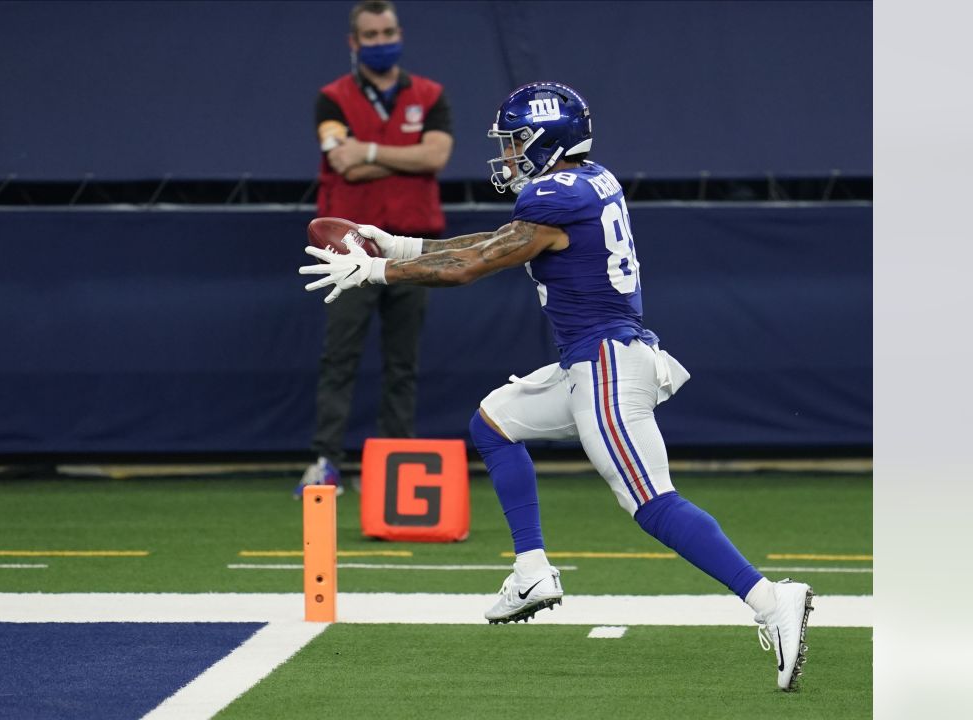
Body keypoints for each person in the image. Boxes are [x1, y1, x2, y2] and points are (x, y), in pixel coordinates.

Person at [299, 81, 814, 692]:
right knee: (493, 422)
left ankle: (768, 598)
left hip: (606, 369)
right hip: (590, 361)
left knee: (651, 503)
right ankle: (532, 569)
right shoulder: (588, 179)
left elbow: (474, 266)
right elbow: (495, 245)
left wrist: (379, 269)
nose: (510, 154)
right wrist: (399, 244)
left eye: (517, 140)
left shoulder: (553, 195)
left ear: (547, 139)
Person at [296, 0, 454, 497]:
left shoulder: (430, 95)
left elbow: (438, 154)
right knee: (339, 356)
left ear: (399, 32)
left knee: (403, 360)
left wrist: (367, 150)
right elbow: (343, 165)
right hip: (349, 249)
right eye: (371, 34)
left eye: (388, 31)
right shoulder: (332, 99)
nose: (382, 40)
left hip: (410, 247)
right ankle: (325, 462)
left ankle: (397, 463)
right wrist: (409, 160)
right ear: (355, 42)